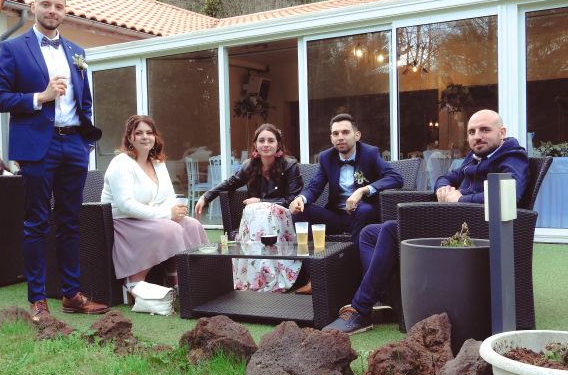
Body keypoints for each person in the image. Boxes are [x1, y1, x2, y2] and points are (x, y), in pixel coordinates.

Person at [323, 109, 529, 334]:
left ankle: (360, 310)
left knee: (392, 229)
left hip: (480, 231)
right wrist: (442, 187)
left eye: (485, 130)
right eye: (472, 131)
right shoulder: (476, 155)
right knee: (369, 233)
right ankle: (383, 296)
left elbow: (509, 195)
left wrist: (461, 199)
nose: (477, 136)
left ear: (502, 132)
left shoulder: (512, 156)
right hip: (458, 221)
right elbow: (448, 177)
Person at [0, 0, 108, 321]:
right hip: (37, 146)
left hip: (74, 145)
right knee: (36, 222)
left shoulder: (76, 51)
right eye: (46, 5)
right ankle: (38, 299)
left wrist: (85, 139)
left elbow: (83, 99)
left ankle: (71, 294)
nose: (52, 10)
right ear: (34, 7)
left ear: (65, 11)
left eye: (58, 6)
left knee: (71, 222)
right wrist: (39, 97)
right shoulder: (13, 49)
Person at [289, 113, 403, 293]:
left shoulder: (370, 153)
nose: (340, 137)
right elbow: (314, 187)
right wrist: (300, 199)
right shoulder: (326, 157)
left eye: (345, 132)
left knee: (364, 210)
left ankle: (365, 283)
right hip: (337, 216)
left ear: (357, 135)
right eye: (335, 134)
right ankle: (314, 278)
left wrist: (363, 190)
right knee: (301, 211)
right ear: (331, 138)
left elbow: (396, 178)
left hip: (363, 215)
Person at [101, 115, 208, 303]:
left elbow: (168, 196)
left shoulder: (157, 162)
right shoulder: (121, 163)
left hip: (150, 218)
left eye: (149, 133)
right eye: (138, 133)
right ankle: (134, 280)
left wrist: (173, 212)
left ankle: (182, 278)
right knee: (172, 228)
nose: (145, 137)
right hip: (124, 221)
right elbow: (126, 204)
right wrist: (167, 215)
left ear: (155, 137)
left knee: (192, 225)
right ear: (130, 138)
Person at [194, 123, 303, 292]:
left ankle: (270, 276)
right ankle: (254, 277)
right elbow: (229, 184)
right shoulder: (250, 165)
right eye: (261, 140)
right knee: (253, 210)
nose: (266, 144)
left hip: (282, 217)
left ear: (278, 144)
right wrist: (206, 197)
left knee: (258, 209)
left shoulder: (290, 166)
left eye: (270, 140)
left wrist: (261, 201)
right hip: (256, 219)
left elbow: (291, 199)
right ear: (255, 145)